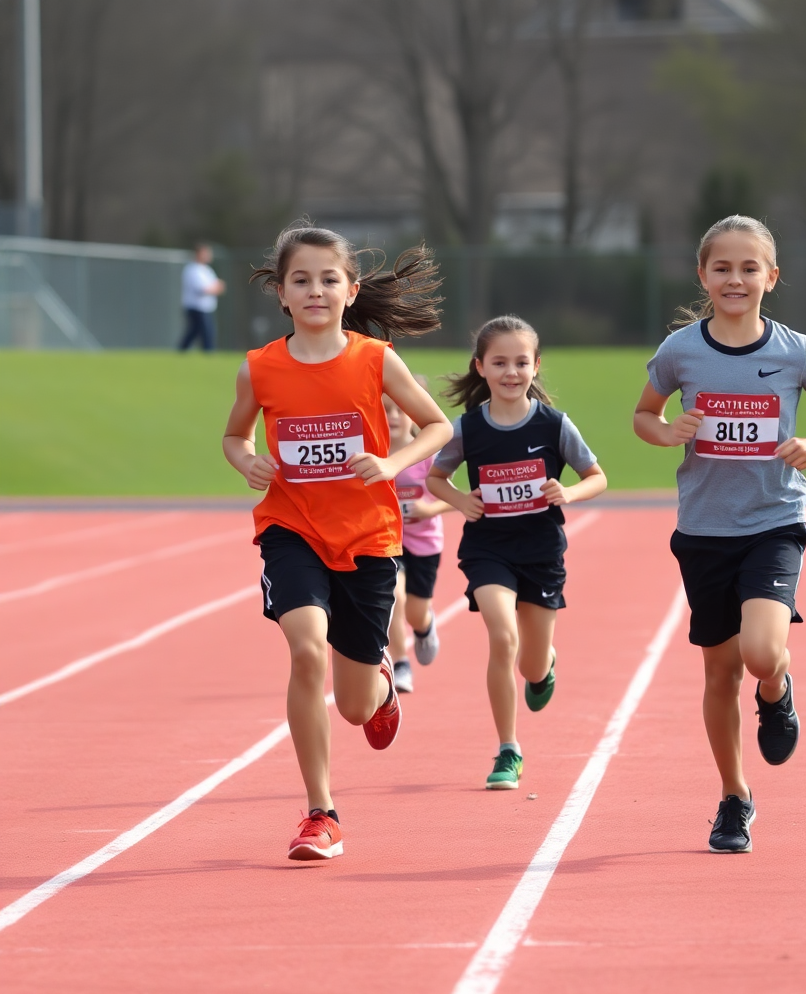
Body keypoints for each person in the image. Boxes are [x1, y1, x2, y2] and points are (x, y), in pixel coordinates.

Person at [633, 215, 806, 853]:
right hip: (704, 529)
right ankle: (735, 798)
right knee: (718, 672)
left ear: (772, 277)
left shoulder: (794, 351)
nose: (736, 278)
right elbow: (643, 416)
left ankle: (777, 688)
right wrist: (667, 431)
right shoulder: (681, 350)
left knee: (761, 652)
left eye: (749, 267)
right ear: (703, 275)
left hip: (773, 522)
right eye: (723, 268)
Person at [222, 225, 452, 861]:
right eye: (301, 279)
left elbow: (438, 426)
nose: (315, 290)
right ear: (282, 293)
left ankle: (377, 680)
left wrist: (391, 460)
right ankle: (321, 813)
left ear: (350, 291)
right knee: (304, 653)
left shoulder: (375, 359)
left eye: (328, 279)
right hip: (290, 527)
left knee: (355, 707)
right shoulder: (261, 367)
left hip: (368, 537)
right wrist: (248, 463)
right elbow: (235, 437)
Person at [427, 315, 607, 790]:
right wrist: (462, 501)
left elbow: (597, 477)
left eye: (521, 362)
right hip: (489, 549)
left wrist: (568, 494)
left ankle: (544, 664)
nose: (511, 372)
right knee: (501, 637)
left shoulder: (554, 425)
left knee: (529, 662)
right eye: (500, 362)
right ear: (480, 367)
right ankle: (508, 749)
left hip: (542, 550)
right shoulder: (467, 428)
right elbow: (434, 477)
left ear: (536, 366)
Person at [384, 381, 453, 694]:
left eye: (400, 409)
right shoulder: (374, 455)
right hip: (388, 541)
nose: (394, 416)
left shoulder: (426, 455)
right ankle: (401, 662)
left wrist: (427, 510)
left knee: (414, 611)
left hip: (424, 544)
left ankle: (424, 627)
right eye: (385, 410)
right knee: (393, 598)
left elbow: (451, 497)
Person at [178, 243, 225, 352]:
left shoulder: (207, 270)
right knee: (206, 333)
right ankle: (208, 354)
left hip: (206, 308)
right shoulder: (192, 270)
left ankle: (181, 351)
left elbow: (217, 285)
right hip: (196, 308)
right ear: (198, 254)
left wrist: (216, 287)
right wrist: (215, 288)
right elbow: (203, 289)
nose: (208, 255)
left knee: (194, 332)